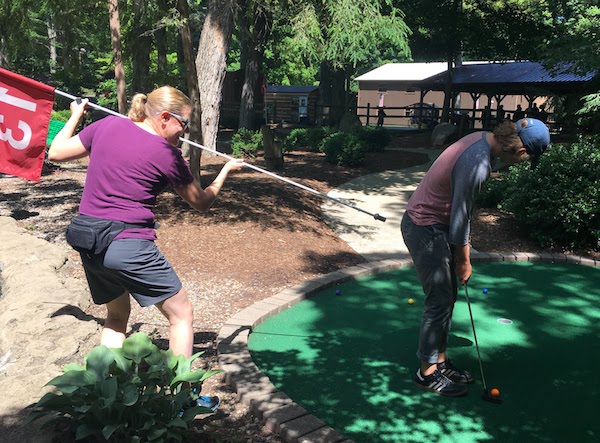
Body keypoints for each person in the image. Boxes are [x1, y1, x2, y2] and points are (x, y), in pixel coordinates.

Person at [48, 86, 244, 410]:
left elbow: (56, 152)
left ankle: (103, 397)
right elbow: (202, 203)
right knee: (182, 316)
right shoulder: (168, 155)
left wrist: (75, 116)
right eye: (184, 124)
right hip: (126, 244)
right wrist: (223, 173)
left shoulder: (106, 126)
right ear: (165, 118)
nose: (186, 132)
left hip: (88, 239)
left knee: (116, 315)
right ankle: (182, 402)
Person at [400, 118, 550, 397]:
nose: (520, 163)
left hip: (433, 225)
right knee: (439, 299)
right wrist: (464, 260)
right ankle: (426, 373)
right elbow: (460, 219)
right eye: (525, 158)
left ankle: (439, 361)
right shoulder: (478, 164)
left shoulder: (482, 138)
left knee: (447, 297)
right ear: (519, 150)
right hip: (425, 227)